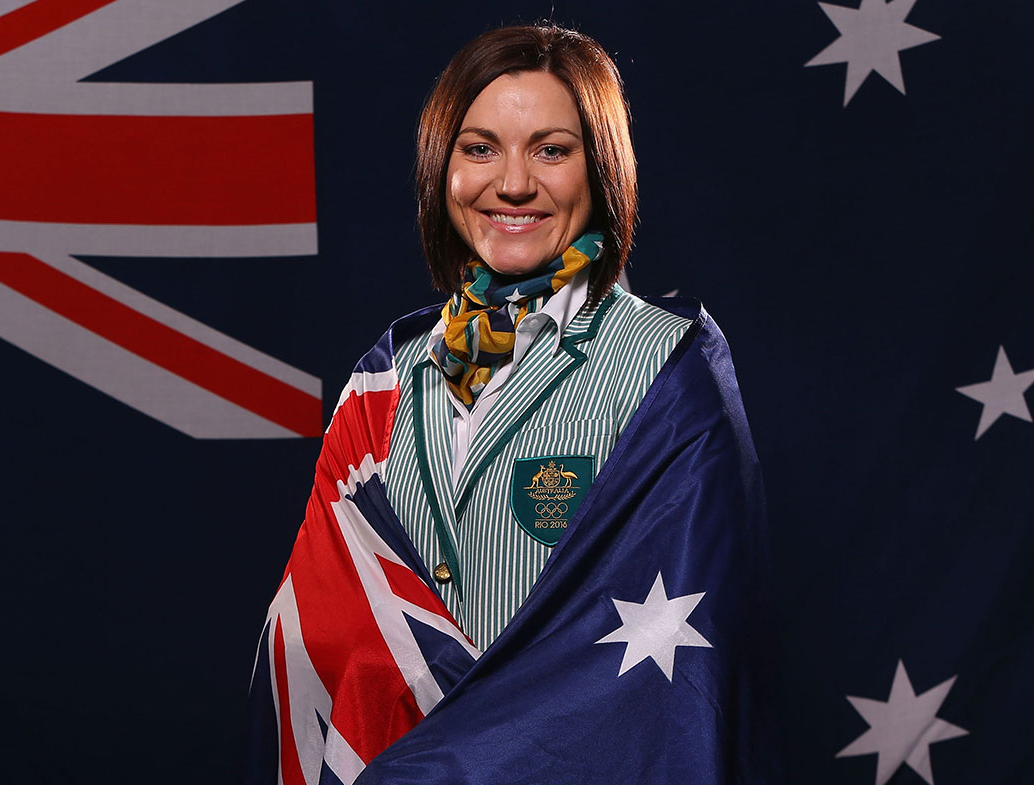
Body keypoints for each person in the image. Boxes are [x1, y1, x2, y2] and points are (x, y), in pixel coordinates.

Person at [246, 24, 774, 785]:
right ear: (442, 168)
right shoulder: (386, 377)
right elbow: (317, 641)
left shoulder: (665, 371)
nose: (515, 183)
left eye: (551, 149)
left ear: (602, 166)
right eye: (481, 148)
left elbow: (675, 693)